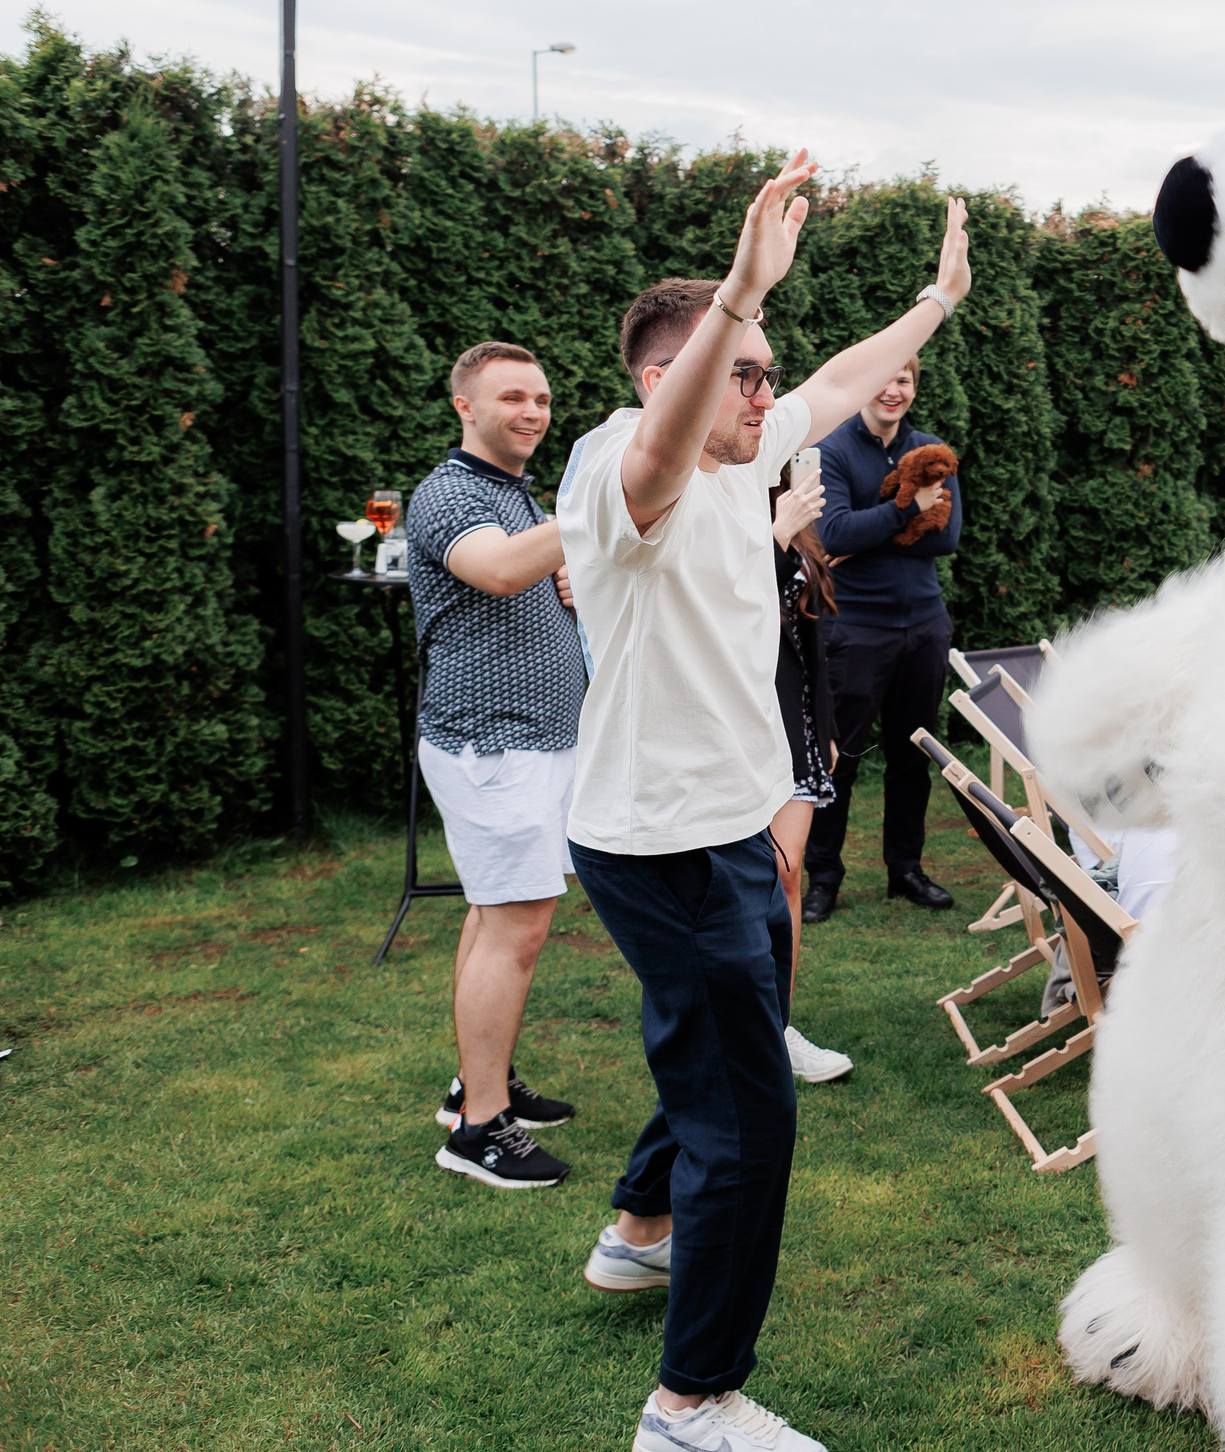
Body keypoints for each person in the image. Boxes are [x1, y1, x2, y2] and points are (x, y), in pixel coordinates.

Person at [558, 151, 967, 1452]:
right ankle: (690, 1405)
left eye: (762, 364)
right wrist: (739, 285)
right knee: (748, 1109)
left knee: (713, 1049)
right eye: (739, 365)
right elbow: (668, 447)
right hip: (664, 839)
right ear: (659, 376)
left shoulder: (746, 455)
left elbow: (842, 381)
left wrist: (935, 302)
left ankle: (638, 1233)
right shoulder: (625, 461)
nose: (765, 385)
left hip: (714, 828)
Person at [409, 341, 588, 1190]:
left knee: (495, 917)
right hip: (491, 742)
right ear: (465, 408)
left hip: (530, 741)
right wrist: (591, 512)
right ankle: (479, 1129)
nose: (532, 410)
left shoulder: (513, 496)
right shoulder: (448, 493)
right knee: (516, 926)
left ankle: (476, 1082)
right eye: (512, 395)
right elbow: (503, 570)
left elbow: (542, 575)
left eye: (543, 398)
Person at [797, 355, 963, 923]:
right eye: (884, 378)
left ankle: (906, 868)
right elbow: (833, 530)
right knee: (837, 755)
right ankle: (823, 875)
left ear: (914, 387)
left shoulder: (932, 451)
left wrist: (880, 526)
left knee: (911, 753)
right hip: (856, 627)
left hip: (923, 625)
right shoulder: (832, 449)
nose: (893, 390)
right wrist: (909, 510)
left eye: (905, 379)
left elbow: (946, 538)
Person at [769, 465, 854, 1082]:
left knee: (786, 873)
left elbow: (809, 631)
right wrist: (775, 536)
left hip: (793, 721)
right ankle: (741, 1023)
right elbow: (731, 604)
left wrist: (823, 727)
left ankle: (778, 1024)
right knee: (751, 878)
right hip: (734, 724)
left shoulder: (793, 515)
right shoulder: (705, 505)